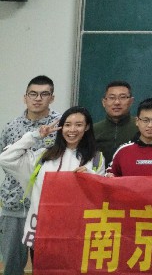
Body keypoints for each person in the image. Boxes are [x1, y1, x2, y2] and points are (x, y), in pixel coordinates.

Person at [0, 107, 105, 252]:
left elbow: (100, 195)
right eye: (67, 125)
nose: (72, 129)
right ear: (61, 128)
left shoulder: (96, 159)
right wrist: (35, 136)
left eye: (79, 125)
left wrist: (90, 176)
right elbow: (5, 158)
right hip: (43, 230)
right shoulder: (44, 156)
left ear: (87, 127)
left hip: (77, 233)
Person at [0, 76, 60, 275]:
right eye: (33, 94)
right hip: (14, 203)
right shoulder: (11, 127)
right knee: (11, 264)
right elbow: (4, 160)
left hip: (47, 205)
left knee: (46, 265)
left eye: (44, 94)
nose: (38, 98)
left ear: (52, 98)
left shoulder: (62, 125)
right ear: (24, 97)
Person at [93, 80, 137, 164]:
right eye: (112, 98)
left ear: (131, 101)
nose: (117, 102)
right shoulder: (93, 130)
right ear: (104, 102)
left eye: (122, 97)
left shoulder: (141, 128)